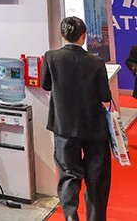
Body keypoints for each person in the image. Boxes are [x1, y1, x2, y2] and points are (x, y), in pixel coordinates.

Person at [42, 16, 113, 221]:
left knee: (68, 175)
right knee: (97, 178)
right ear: (84, 36)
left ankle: (71, 217)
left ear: (61, 34)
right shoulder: (96, 61)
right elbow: (105, 96)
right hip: (94, 127)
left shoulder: (51, 57)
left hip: (64, 127)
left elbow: (46, 85)